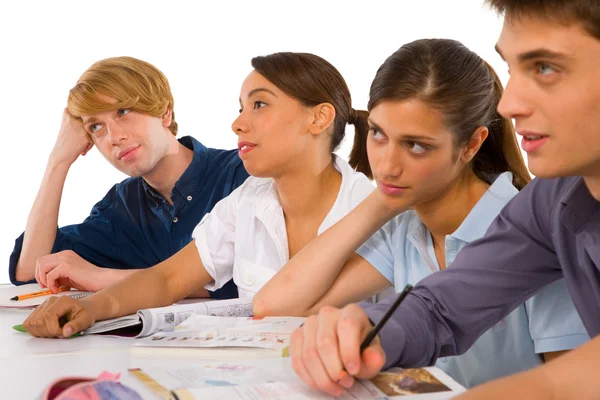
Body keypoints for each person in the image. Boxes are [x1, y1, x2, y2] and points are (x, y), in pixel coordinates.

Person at [289, 0, 600, 397]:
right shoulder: (549, 201)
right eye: (512, 67)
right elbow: (443, 307)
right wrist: (369, 329)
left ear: (470, 146)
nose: (509, 105)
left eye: (544, 68)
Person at [21, 51, 375, 337]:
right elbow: (168, 278)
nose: (237, 123)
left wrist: (99, 282)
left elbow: (275, 308)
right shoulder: (246, 200)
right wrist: (91, 307)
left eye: (260, 105)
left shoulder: (372, 211)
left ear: (319, 118)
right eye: (240, 108)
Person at [10, 56, 245, 299]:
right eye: (96, 127)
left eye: (123, 112)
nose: (114, 137)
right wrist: (57, 162)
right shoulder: (121, 206)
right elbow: (32, 270)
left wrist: (102, 278)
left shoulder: (243, 174)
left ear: (165, 113)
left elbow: (256, 279)